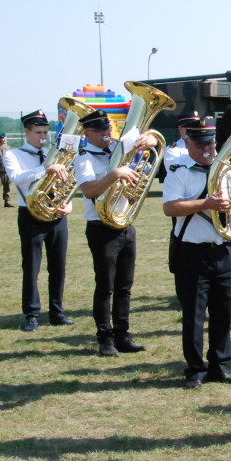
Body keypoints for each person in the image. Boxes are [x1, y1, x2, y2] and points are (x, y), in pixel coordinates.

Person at [162, 115, 231, 389]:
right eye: (202, 145)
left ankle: (219, 364)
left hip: (224, 250)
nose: (209, 150)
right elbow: (170, 208)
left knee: (223, 312)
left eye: (212, 144)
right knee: (194, 315)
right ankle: (195, 368)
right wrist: (205, 203)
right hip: (192, 253)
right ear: (188, 143)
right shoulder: (177, 170)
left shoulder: (228, 169)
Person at [75, 109, 157, 357]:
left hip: (125, 223)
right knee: (105, 286)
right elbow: (89, 190)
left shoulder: (116, 149)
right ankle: (105, 337)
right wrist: (114, 174)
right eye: (100, 130)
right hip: (101, 227)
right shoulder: (84, 157)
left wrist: (150, 139)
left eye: (107, 128)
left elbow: (153, 140)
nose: (106, 133)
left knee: (125, 286)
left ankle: (123, 334)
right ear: (87, 133)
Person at [3, 109, 74, 332]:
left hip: (56, 214)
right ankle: (31, 314)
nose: (43, 137)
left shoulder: (54, 153)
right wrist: (45, 169)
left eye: (45, 132)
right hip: (31, 214)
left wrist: (68, 204)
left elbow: (71, 179)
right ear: (27, 131)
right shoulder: (13, 154)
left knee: (58, 266)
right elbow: (17, 178)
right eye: (38, 132)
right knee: (32, 267)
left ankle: (57, 312)